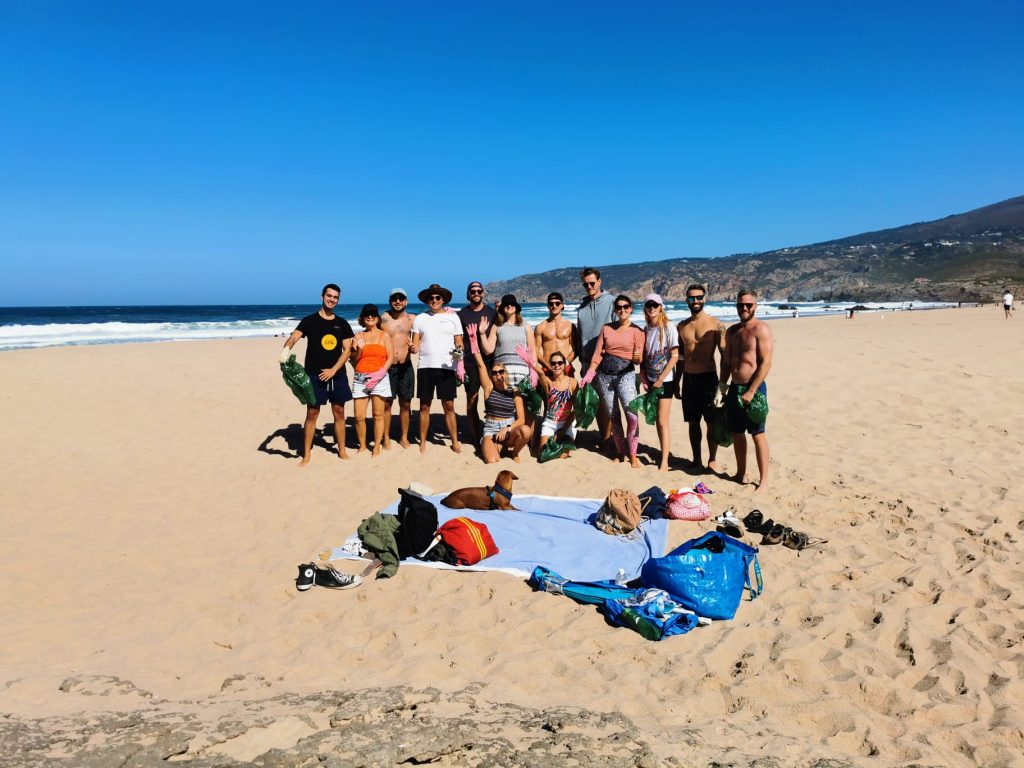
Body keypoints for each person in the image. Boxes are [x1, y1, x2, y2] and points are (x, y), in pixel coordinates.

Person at [279, 283, 354, 465]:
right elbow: (295, 337)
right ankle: (307, 455)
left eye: (335, 297)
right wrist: (285, 351)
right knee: (312, 413)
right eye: (329, 296)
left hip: (336, 374)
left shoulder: (341, 324)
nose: (332, 299)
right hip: (313, 374)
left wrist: (334, 369)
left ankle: (342, 450)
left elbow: (347, 350)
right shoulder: (309, 320)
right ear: (322, 296)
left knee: (339, 412)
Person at [581, 295, 645, 467]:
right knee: (614, 417)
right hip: (604, 376)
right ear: (615, 309)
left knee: (632, 416)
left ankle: (633, 454)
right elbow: (598, 354)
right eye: (619, 307)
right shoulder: (606, 329)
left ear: (631, 308)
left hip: (626, 375)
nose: (622, 310)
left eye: (626, 306)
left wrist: (638, 359)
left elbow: (640, 360)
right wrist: (590, 372)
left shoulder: (638, 331)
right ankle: (620, 451)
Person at [721, 289, 774, 493]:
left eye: (748, 305)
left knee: (757, 434)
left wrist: (752, 390)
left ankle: (763, 481)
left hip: (754, 389)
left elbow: (766, 363)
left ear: (755, 306)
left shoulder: (761, 329)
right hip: (734, 388)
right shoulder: (732, 332)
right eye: (740, 304)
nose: (744, 308)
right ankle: (741, 472)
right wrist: (722, 386)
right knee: (736, 433)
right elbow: (727, 362)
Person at [675, 284, 727, 472]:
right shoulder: (682, 326)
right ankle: (696, 459)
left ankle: (712, 459)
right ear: (686, 300)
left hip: (709, 379)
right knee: (693, 423)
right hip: (689, 380)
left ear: (705, 298)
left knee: (711, 423)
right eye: (691, 298)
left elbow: (724, 356)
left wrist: (722, 384)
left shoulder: (716, 324)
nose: (695, 301)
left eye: (698, 297)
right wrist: (676, 382)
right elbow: (680, 358)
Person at [465, 323, 532, 463]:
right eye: (494, 373)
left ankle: (514, 453)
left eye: (501, 372)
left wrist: (506, 429)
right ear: (492, 376)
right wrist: (473, 341)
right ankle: (496, 447)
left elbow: (521, 420)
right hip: (490, 427)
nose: (498, 375)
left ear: (505, 373)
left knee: (525, 430)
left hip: (509, 428)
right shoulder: (489, 388)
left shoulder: (514, 391)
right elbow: (481, 365)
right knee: (492, 460)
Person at [410, 283, 464, 454]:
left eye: (437, 298)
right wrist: (412, 348)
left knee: (448, 405)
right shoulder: (420, 318)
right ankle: (423, 442)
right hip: (425, 366)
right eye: (431, 298)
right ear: (427, 300)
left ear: (443, 300)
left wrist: (460, 352)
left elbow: (459, 342)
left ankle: (455, 441)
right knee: (424, 406)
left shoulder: (453, 317)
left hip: (447, 367)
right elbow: (416, 346)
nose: (434, 300)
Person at [576, 267, 616, 446]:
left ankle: (613, 439)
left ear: (600, 281)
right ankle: (605, 439)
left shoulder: (613, 302)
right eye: (586, 284)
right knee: (597, 403)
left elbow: (620, 330)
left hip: (608, 362)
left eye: (592, 283)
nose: (590, 286)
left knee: (610, 404)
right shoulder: (581, 308)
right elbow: (579, 335)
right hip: (587, 365)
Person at [641, 294, 679, 471]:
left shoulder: (669, 327)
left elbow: (675, 356)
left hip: (665, 381)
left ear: (661, 307)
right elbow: (643, 358)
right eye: (648, 305)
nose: (652, 308)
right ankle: (662, 454)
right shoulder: (646, 329)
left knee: (663, 421)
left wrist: (661, 379)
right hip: (650, 380)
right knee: (657, 420)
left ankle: (664, 461)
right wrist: (644, 378)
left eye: (655, 305)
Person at [457, 281, 498, 446]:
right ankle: (475, 438)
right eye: (472, 291)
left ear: (483, 293)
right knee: (472, 401)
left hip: (490, 363)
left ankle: (492, 435)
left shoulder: (492, 313)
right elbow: (457, 342)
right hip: (469, 363)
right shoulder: (460, 315)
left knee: (492, 400)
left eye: (478, 290)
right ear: (468, 294)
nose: (475, 293)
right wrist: (458, 363)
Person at [351, 304, 395, 457]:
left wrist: (381, 373)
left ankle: (377, 445)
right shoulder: (358, 336)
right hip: (360, 379)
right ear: (363, 318)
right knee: (359, 417)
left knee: (378, 415)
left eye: (373, 315)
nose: (370, 317)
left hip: (379, 378)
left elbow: (390, 357)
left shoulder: (384, 335)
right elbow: (354, 360)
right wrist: (360, 349)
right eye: (366, 315)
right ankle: (362, 445)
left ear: (377, 318)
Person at [519, 347, 578, 456]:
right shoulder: (548, 382)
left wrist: (563, 431)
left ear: (564, 365)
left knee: (562, 455)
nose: (557, 365)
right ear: (550, 365)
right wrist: (531, 362)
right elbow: (541, 374)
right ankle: (539, 440)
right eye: (553, 363)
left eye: (560, 362)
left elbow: (575, 411)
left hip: (567, 424)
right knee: (545, 454)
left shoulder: (573, 383)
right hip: (550, 423)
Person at [379, 288, 415, 448]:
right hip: (388, 367)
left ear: (406, 301)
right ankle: (386, 437)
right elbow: (367, 328)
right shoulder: (382, 319)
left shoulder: (413, 319)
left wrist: (448, 311)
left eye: (401, 298)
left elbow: (433, 318)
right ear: (390, 301)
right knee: (387, 404)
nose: (398, 301)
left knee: (406, 404)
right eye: (395, 298)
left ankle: (404, 437)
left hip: (406, 366)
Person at [480, 294, 537, 389]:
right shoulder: (497, 326)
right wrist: (482, 333)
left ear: (516, 308)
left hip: (522, 373)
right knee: (504, 403)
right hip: (501, 374)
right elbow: (488, 350)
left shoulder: (526, 326)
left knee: (521, 403)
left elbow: (532, 351)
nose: (509, 306)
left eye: (512, 304)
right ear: (502, 308)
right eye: (506, 305)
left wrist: (534, 371)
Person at [535, 292, 577, 375]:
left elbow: (576, 349)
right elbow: (535, 350)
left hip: (565, 367)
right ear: (548, 306)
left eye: (557, 303)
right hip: (547, 368)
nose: (554, 306)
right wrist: (546, 365)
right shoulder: (540, 327)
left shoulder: (570, 326)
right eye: (551, 303)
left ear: (562, 305)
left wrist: (565, 363)